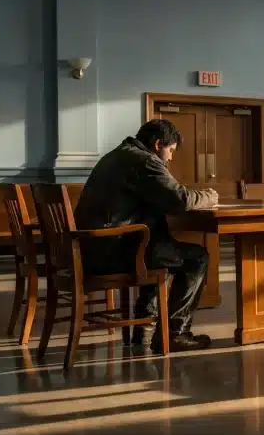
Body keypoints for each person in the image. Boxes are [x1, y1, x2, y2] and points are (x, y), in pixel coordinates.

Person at [74, 119, 219, 352]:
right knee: (196, 258)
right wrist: (209, 196)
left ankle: (144, 331)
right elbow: (180, 200)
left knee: (159, 247)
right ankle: (175, 334)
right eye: (170, 151)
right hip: (113, 252)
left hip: (92, 249)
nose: (170, 158)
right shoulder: (145, 161)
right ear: (158, 144)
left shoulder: (115, 156)